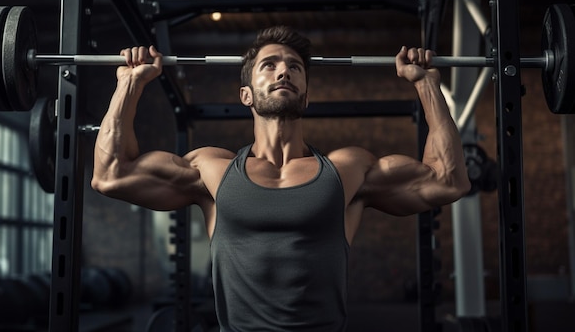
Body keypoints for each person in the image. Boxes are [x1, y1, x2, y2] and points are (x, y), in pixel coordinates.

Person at [92, 26, 470, 331]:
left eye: (294, 66)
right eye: (268, 65)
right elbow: (110, 176)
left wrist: (426, 84)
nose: (283, 70)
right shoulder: (212, 171)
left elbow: (448, 180)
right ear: (246, 95)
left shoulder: (347, 171)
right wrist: (130, 83)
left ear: (306, 98)